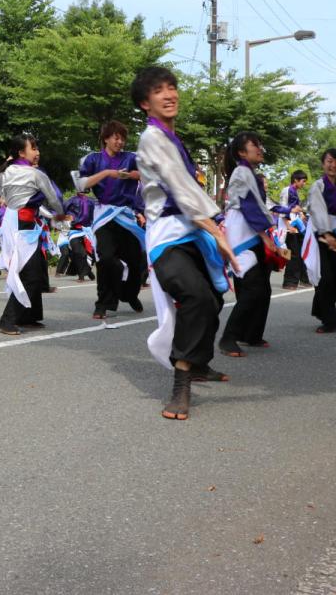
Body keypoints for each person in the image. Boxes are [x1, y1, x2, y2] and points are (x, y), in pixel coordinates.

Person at [134, 66, 238, 421]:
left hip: (191, 230)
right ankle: (181, 382)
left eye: (173, 87)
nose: (169, 94)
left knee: (212, 298)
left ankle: (199, 363)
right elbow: (179, 189)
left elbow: (191, 190)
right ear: (145, 103)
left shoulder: (174, 140)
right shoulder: (152, 138)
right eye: (159, 90)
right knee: (194, 294)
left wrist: (213, 228)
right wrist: (217, 231)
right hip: (166, 236)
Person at [0, 133, 65, 335]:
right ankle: (7, 320)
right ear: (21, 152)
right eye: (33, 148)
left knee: (36, 269)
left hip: (18, 223)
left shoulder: (6, 171)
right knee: (29, 273)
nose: (37, 152)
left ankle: (30, 316)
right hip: (22, 225)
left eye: (37, 148)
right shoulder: (34, 174)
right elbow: (54, 198)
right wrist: (61, 214)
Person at [219, 131, 287, 356]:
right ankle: (229, 337)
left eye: (260, 145)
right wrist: (266, 237)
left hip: (251, 230)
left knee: (262, 287)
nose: (260, 149)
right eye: (254, 145)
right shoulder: (242, 171)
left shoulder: (250, 173)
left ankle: (252, 334)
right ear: (241, 152)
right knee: (253, 287)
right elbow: (248, 205)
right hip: (242, 232)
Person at [75, 121, 146, 321]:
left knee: (137, 260)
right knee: (106, 260)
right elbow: (81, 184)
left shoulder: (132, 158)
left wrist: (134, 175)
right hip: (104, 215)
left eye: (122, 138)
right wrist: (107, 173)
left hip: (126, 215)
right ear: (106, 138)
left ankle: (130, 294)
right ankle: (103, 303)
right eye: (116, 137)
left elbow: (150, 174)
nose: (120, 141)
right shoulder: (93, 159)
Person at [307, 148, 336, 333]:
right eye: (330, 161)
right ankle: (328, 320)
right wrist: (326, 233)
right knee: (326, 277)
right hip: (320, 234)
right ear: (323, 164)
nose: (333, 165)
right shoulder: (318, 185)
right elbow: (317, 209)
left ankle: (323, 312)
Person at [279, 170, 310, 289]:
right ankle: (289, 282)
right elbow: (283, 209)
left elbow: (295, 209)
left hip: (297, 226)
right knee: (293, 254)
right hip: (288, 227)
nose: (304, 184)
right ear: (296, 180)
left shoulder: (295, 192)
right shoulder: (286, 190)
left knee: (301, 252)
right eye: (303, 181)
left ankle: (303, 278)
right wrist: (287, 225)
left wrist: (301, 215)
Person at [57, 191, 96, 282]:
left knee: (92, 254)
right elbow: (61, 210)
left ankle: (89, 272)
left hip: (88, 231)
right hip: (75, 231)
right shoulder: (71, 201)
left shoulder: (91, 201)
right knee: (79, 253)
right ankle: (81, 276)